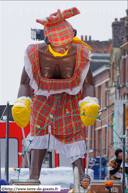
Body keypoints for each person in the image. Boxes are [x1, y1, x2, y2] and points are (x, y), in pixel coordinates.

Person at [12, 7, 96, 180]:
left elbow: (88, 83)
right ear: (48, 41)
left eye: (67, 44)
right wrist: (21, 101)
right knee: (38, 137)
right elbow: (24, 83)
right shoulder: (34, 53)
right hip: (42, 98)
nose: (63, 49)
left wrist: (89, 101)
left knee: (75, 136)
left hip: (70, 99)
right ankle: (33, 178)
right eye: (59, 46)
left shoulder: (80, 53)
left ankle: (82, 179)